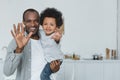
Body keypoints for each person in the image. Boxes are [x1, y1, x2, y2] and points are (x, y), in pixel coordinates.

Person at [3, 8, 61, 80]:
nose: (33, 24)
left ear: (40, 22)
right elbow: (7, 72)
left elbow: (55, 57)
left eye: (36, 21)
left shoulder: (47, 37)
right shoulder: (17, 41)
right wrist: (19, 49)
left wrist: (55, 69)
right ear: (24, 22)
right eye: (29, 21)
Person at [39, 8, 64, 80]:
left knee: (43, 76)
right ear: (42, 24)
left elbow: (57, 40)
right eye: (45, 24)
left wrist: (58, 38)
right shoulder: (41, 33)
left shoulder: (55, 35)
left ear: (56, 27)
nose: (48, 27)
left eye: (51, 25)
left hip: (56, 60)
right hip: (49, 60)